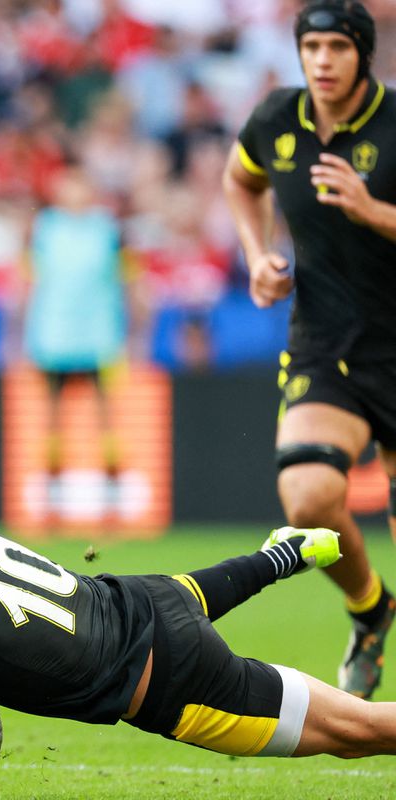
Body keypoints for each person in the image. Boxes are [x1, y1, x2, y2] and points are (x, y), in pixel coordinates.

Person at [0, 484, 396, 785]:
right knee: (211, 586)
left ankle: (282, 555)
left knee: (358, 731)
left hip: (175, 680)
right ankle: (284, 553)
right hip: (141, 597)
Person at [222, 0, 396, 699]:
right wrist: (256, 253)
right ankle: (371, 609)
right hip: (328, 346)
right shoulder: (276, 120)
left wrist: (372, 210)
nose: (322, 60)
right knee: (308, 494)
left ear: (363, 53)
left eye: (337, 47)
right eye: (312, 46)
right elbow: (241, 180)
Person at [24, 164, 130, 521]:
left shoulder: (107, 229)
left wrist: (133, 332)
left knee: (108, 417)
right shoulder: (45, 228)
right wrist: (19, 334)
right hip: (53, 337)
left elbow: (126, 281)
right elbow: (29, 283)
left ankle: (112, 496)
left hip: (99, 336)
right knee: (52, 419)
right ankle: (52, 498)